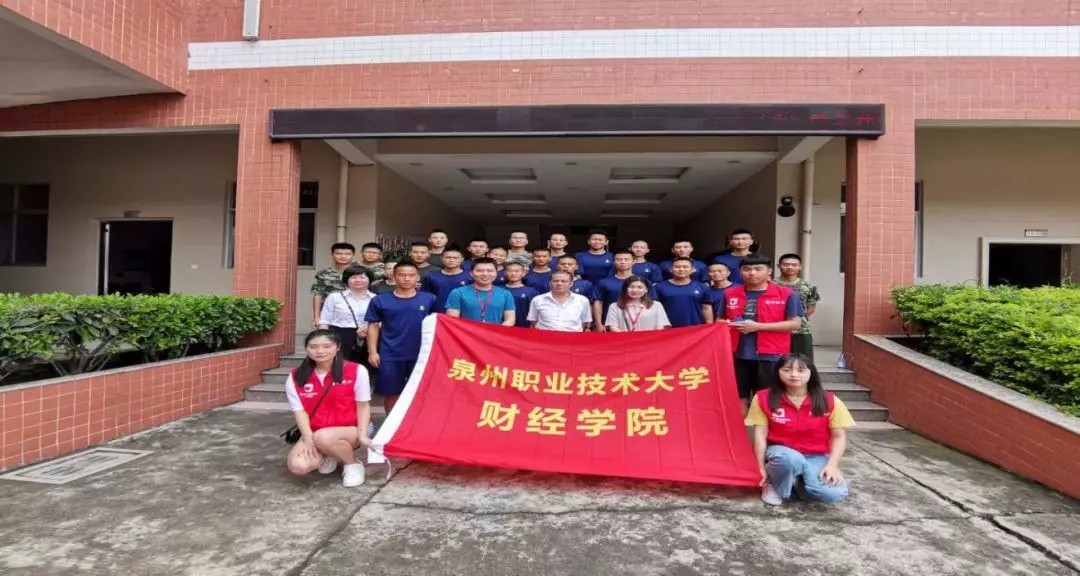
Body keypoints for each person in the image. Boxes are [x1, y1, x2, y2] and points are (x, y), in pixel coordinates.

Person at [745, 354, 853, 506]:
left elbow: (839, 436)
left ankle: (799, 484)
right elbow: (760, 435)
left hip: (815, 455)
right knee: (790, 459)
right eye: (787, 370)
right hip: (780, 453)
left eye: (801, 370)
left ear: (811, 373)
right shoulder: (763, 398)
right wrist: (760, 468)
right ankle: (774, 485)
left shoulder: (829, 401)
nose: (794, 375)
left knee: (835, 495)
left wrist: (832, 465)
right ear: (778, 372)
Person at [285, 330, 372, 488]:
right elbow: (299, 411)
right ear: (307, 349)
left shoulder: (356, 370)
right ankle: (330, 454)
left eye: (327, 346)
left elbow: (363, 406)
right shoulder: (296, 376)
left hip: (351, 429)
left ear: (338, 347)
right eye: (313, 347)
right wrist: (308, 438)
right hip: (314, 431)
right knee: (298, 466)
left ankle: (353, 464)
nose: (320, 351)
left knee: (323, 437)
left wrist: (362, 435)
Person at [718, 253, 804, 411]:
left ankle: (763, 426)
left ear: (769, 271)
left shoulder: (787, 294)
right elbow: (719, 320)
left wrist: (758, 326)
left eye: (758, 269)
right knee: (738, 395)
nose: (752, 273)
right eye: (747, 269)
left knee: (767, 396)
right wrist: (729, 324)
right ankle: (741, 427)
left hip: (772, 354)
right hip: (737, 353)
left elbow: (795, 323)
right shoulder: (730, 293)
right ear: (740, 271)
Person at [365, 262, 436, 414]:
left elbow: (439, 324)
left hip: (421, 354)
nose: (407, 278)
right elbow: (373, 326)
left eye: (411, 275)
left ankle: (415, 425)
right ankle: (391, 424)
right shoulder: (379, 300)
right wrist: (372, 352)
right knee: (392, 394)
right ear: (394, 276)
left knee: (420, 392)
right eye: (402, 275)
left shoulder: (430, 299)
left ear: (418, 277)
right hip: (390, 354)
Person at [317, 265, 374, 365]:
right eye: (354, 277)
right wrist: (324, 340)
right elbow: (324, 320)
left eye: (362, 277)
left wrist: (368, 328)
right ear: (346, 280)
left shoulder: (376, 298)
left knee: (365, 367)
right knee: (339, 366)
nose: (358, 280)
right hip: (340, 335)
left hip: (368, 336)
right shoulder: (334, 297)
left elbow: (383, 320)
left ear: (369, 279)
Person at [775, 253, 821, 360]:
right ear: (778, 266)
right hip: (776, 328)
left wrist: (797, 320)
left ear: (800, 267)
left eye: (794, 265)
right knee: (777, 362)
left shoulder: (809, 286)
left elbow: (810, 308)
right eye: (786, 264)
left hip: (801, 331)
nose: (790, 267)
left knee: (803, 361)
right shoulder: (770, 284)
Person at [445, 257, 516, 325]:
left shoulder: (506, 294)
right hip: (466, 333)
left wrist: (493, 330)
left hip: (495, 333)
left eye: (490, 271)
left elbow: (510, 320)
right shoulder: (457, 293)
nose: (485, 274)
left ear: (496, 273)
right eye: (480, 271)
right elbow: (452, 321)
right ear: (471, 273)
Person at [653, 257, 714, 327]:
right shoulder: (659, 287)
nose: (681, 269)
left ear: (692, 270)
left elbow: (706, 308)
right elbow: (654, 309)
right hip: (668, 328)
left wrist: (709, 326)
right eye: (677, 267)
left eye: (685, 267)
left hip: (696, 327)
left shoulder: (702, 287)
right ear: (671, 269)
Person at [310, 242, 359, 328]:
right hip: (329, 314)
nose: (343, 256)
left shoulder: (361, 273)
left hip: (356, 313)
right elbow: (318, 294)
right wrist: (316, 317)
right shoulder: (323, 274)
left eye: (347, 254)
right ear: (332, 254)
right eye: (338, 253)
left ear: (353, 255)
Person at [527, 270, 592, 331]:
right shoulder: (537, 300)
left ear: (571, 283)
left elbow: (585, 322)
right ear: (550, 283)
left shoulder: (582, 300)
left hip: (572, 337)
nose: (559, 283)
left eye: (564, 281)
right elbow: (533, 322)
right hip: (545, 337)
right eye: (555, 281)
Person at [605, 276, 671, 332]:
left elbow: (660, 327)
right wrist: (628, 339)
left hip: (650, 341)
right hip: (624, 341)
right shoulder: (614, 306)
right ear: (625, 289)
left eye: (639, 287)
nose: (635, 290)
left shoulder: (656, 305)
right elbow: (613, 327)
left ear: (646, 290)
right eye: (631, 287)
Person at [593, 250, 637, 331]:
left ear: (633, 261)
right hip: (610, 324)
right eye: (619, 259)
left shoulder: (642, 281)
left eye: (627, 259)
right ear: (613, 262)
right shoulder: (604, 282)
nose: (623, 262)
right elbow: (598, 302)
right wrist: (598, 323)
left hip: (638, 323)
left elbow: (650, 303)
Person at [420, 247, 471, 313]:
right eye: (448, 257)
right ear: (441, 258)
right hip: (437, 313)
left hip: (463, 314)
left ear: (462, 259)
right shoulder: (431, 276)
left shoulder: (470, 276)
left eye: (455, 258)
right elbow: (424, 296)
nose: (451, 260)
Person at [502, 262, 539, 328]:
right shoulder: (499, 290)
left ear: (524, 273)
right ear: (505, 273)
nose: (513, 273)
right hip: (502, 326)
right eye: (510, 271)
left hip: (524, 327)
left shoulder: (531, 292)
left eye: (517, 271)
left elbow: (536, 312)